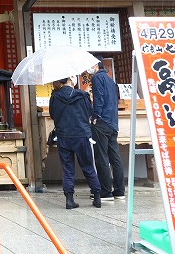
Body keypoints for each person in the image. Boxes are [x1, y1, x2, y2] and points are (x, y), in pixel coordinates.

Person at [49, 76, 102, 209]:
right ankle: (97, 197)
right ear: (70, 80)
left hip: (63, 136)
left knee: (68, 169)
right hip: (82, 135)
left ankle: (69, 199)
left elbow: (53, 115)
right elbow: (90, 112)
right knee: (88, 166)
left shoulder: (55, 96)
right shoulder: (82, 95)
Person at [89, 57, 125, 202]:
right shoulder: (110, 80)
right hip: (112, 122)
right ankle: (119, 191)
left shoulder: (97, 78)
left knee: (102, 157)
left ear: (95, 65)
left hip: (102, 122)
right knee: (115, 157)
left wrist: (95, 116)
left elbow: (99, 99)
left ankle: (105, 192)